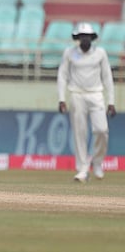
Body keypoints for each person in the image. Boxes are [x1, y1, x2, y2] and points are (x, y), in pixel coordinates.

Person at [57, 22, 116, 183]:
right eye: (82, 37)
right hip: (76, 94)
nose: (85, 40)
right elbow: (62, 76)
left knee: (101, 130)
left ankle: (97, 163)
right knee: (79, 133)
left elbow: (107, 77)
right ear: (77, 38)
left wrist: (111, 101)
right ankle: (82, 169)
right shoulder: (69, 53)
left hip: (96, 94)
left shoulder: (100, 53)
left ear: (92, 38)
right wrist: (62, 98)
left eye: (87, 37)